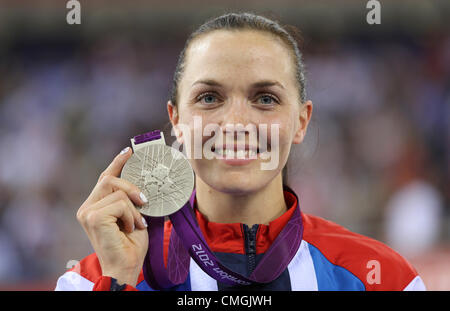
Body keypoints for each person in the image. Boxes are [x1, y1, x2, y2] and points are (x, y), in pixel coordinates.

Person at [55, 12, 425, 291]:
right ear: (177, 121)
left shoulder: (381, 277)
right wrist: (118, 280)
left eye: (265, 98)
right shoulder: (89, 282)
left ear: (301, 121)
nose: (235, 122)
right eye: (210, 98)